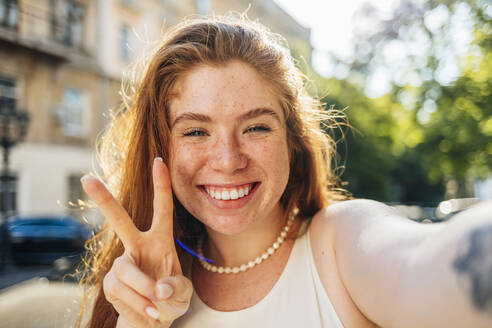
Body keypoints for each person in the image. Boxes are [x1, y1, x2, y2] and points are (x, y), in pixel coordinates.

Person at [76, 14, 492, 328]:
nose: (227, 158)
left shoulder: (343, 242)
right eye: (196, 131)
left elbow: (424, 266)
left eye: (256, 127)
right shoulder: (140, 283)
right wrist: (137, 320)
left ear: (291, 138)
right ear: (161, 147)